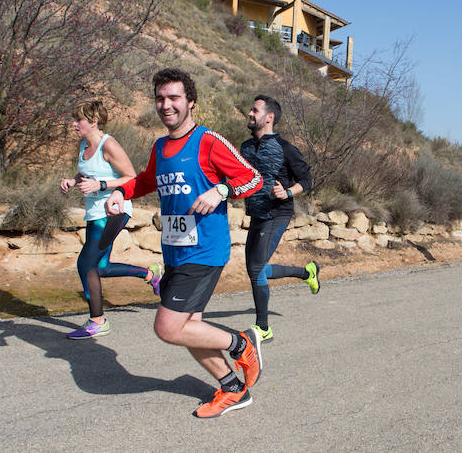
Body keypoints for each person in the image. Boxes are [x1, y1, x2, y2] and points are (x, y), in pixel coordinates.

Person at [105, 68, 265, 418]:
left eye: (174, 97)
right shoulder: (161, 146)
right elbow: (147, 180)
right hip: (176, 250)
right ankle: (233, 389)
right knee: (191, 328)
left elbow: (252, 177)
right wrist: (120, 191)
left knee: (168, 327)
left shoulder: (207, 141)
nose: (166, 105)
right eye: (160, 98)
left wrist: (221, 189)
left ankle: (242, 344)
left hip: (205, 251)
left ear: (190, 102)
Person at [59, 100, 162, 340]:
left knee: (87, 264)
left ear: (93, 121)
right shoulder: (83, 144)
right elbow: (86, 172)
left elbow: (132, 178)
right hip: (94, 213)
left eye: (79, 120)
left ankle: (98, 321)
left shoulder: (110, 145)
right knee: (101, 267)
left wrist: (101, 184)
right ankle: (150, 274)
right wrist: (73, 181)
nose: (74, 124)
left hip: (114, 211)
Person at [239, 95, 318, 343]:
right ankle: (307, 273)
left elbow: (307, 180)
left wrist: (287, 192)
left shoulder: (285, 148)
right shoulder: (246, 147)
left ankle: (263, 328)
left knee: (255, 268)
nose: (250, 113)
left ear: (269, 117)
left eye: (255, 110)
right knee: (256, 268)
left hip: (278, 213)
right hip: (257, 213)